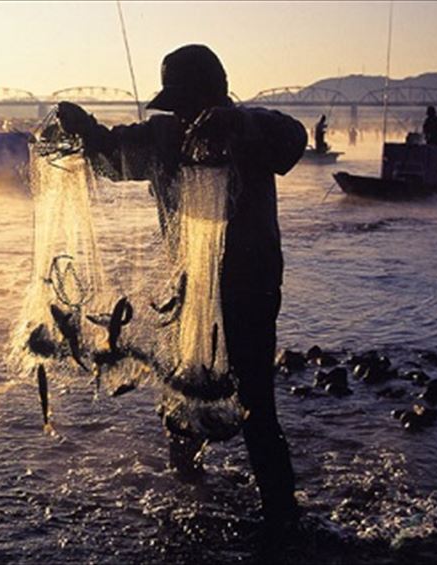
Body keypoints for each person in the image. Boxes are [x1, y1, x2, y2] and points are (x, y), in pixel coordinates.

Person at [56, 44, 305, 534]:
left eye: (192, 102)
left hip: (249, 291)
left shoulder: (254, 127)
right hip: (188, 294)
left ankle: (282, 516)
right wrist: (83, 128)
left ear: (219, 95)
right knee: (183, 395)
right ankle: (190, 489)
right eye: (177, 105)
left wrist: (236, 125)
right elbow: (111, 159)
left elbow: (292, 141)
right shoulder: (162, 136)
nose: (185, 114)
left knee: (256, 404)